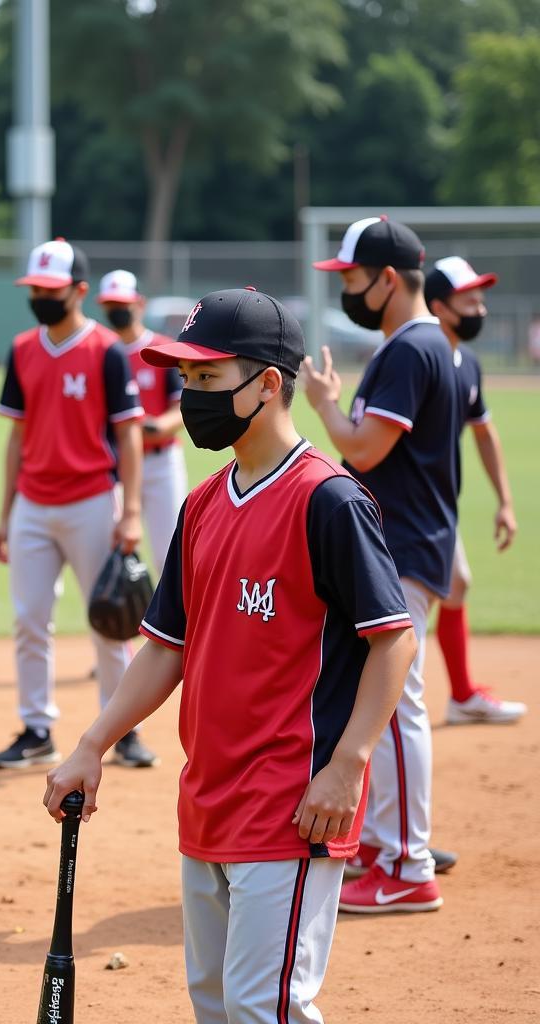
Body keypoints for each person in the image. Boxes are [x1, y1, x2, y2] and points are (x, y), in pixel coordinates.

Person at [45, 286, 416, 1024]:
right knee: (214, 1004)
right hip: (207, 795)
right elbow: (164, 649)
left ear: (269, 383)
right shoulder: (203, 504)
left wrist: (347, 767)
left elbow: (394, 638)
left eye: (207, 379)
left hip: (291, 803)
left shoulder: (329, 501)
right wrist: (93, 743)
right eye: (184, 380)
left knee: (263, 1008)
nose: (190, 397)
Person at [302, 216, 461, 911]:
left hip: (401, 543)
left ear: (388, 278)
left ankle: (405, 864)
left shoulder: (409, 348)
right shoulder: (427, 345)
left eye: (353, 277)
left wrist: (325, 405)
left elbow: (362, 451)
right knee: (392, 702)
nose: (347, 289)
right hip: (408, 539)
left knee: (394, 704)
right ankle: (381, 842)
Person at [0, 239, 155, 770]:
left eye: (50, 289)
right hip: (34, 505)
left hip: (90, 501)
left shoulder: (106, 349)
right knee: (30, 620)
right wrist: (4, 514)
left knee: (110, 620)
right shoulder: (22, 349)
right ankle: (37, 729)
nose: (39, 296)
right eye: (34, 289)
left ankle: (122, 730)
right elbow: (16, 436)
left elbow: (128, 435)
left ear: (79, 291)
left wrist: (129, 512)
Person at [423, 257, 526, 724]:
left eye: (481, 299)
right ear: (439, 307)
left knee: (457, 584)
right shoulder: (420, 360)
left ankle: (462, 695)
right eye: (470, 300)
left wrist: (505, 501)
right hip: (406, 511)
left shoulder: (468, 364)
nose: (480, 309)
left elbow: (484, 433)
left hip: (438, 507)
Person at [96, 269, 187, 574]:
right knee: (114, 555)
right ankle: (130, 621)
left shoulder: (160, 348)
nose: (117, 310)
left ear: (140, 303)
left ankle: (177, 622)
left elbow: (181, 408)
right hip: (115, 465)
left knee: (169, 555)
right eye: (111, 304)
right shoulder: (100, 351)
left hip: (160, 461)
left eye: (123, 302)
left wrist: (156, 427)